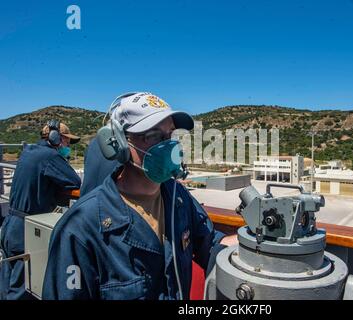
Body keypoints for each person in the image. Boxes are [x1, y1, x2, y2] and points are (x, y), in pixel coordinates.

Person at [43, 92, 236, 300]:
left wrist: (254, 246)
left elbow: (208, 241)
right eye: (153, 136)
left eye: (170, 135)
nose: (167, 146)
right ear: (118, 143)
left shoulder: (177, 197)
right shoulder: (79, 229)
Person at [0, 121, 81, 300]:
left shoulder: (29, 151)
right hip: (24, 230)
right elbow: (75, 181)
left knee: (6, 285)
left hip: (9, 225)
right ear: (56, 139)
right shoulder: (50, 156)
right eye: (67, 142)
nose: (68, 147)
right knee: (22, 290)